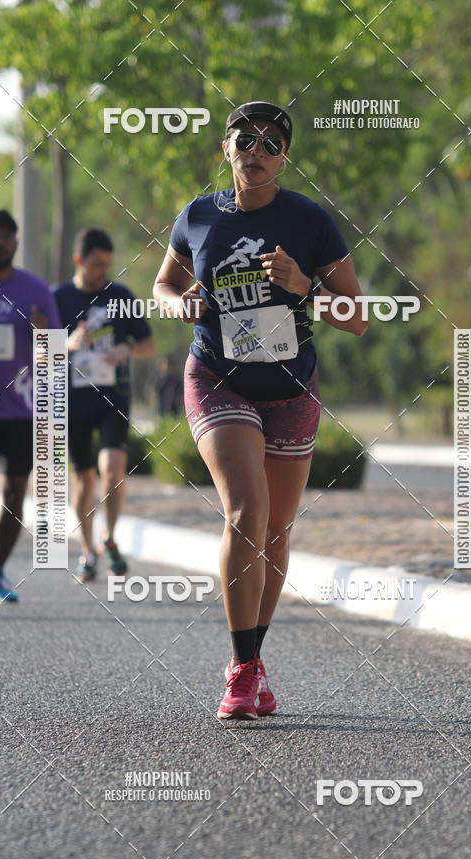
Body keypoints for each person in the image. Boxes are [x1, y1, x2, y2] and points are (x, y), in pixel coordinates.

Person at [153, 101, 368, 720]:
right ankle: (241, 668)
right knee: (247, 511)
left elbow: (354, 318)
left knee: (275, 530)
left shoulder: (308, 221)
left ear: (285, 158)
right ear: (225, 149)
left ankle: (255, 660)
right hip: (218, 378)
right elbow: (164, 285)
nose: (257, 149)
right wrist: (176, 305)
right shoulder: (197, 216)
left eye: (272, 143)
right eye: (244, 138)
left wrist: (305, 288)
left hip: (291, 390)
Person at [0, 209, 62, 603]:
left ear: (16, 244)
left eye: (8, 236)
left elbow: (55, 350)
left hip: (21, 408)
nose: (0, 241)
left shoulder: (35, 290)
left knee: (17, 492)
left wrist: (43, 334)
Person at [54, 228, 155, 582]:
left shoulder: (120, 295)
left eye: (107, 265)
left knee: (112, 472)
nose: (103, 271)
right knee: (83, 481)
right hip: (73, 400)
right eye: (97, 264)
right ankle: (87, 549)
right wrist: (68, 343)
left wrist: (128, 349)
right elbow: (37, 351)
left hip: (113, 397)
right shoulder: (57, 298)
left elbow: (148, 345)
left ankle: (110, 537)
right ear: (79, 260)